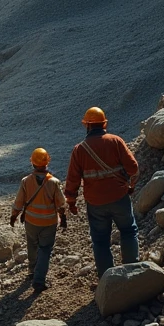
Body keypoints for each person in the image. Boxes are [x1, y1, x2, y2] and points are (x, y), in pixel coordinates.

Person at [65, 107, 140, 278]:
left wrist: (71, 201)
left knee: (100, 241)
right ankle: (133, 271)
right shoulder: (115, 141)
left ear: (87, 126)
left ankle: (107, 278)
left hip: (95, 202)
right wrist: (131, 184)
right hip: (119, 196)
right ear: (104, 123)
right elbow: (133, 167)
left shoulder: (80, 149)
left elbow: (73, 179)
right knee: (128, 231)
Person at [10, 147, 67, 292]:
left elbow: (19, 202)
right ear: (47, 163)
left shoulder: (25, 181)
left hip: (31, 221)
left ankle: (32, 272)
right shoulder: (54, 182)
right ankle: (39, 280)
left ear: (32, 163)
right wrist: (63, 217)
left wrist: (14, 215)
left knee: (32, 246)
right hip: (49, 222)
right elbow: (61, 203)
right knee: (45, 250)